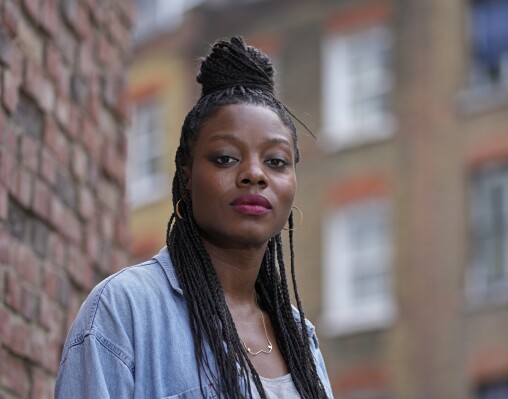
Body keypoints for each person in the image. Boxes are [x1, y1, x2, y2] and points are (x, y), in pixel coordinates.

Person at [55, 36, 333, 398]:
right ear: (186, 174)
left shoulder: (300, 338)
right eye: (225, 158)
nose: (255, 174)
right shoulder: (127, 309)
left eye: (276, 162)